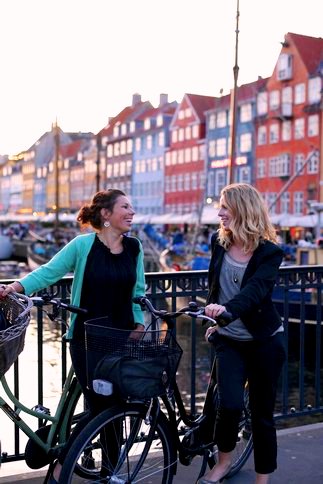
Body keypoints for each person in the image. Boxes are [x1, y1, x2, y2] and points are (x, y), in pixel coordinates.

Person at [0, 189, 146, 483]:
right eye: (125, 207)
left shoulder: (134, 248)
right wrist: (14, 288)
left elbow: (138, 291)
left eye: (131, 207)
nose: (132, 212)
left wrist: (139, 323)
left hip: (120, 338)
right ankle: (61, 466)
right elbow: (49, 272)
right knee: (101, 406)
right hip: (86, 338)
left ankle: (110, 472)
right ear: (106, 214)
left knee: (113, 406)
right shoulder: (83, 245)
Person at [198, 183, 286, 484]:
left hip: (264, 341)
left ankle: (263, 478)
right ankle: (223, 463)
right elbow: (216, 285)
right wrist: (214, 317)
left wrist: (227, 312)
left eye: (225, 206)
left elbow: (255, 291)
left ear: (243, 210)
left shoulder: (270, 253)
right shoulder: (218, 241)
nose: (219, 212)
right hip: (229, 339)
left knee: (261, 415)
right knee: (230, 404)